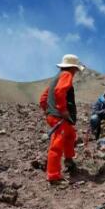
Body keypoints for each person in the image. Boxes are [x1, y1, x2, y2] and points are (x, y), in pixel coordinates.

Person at [39, 54, 84, 185]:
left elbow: (43, 98)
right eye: (76, 69)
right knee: (57, 145)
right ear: (73, 68)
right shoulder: (66, 75)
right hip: (60, 117)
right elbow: (59, 92)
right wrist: (62, 110)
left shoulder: (56, 78)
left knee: (70, 135)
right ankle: (53, 176)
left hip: (56, 117)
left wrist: (48, 111)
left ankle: (69, 160)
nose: (75, 72)